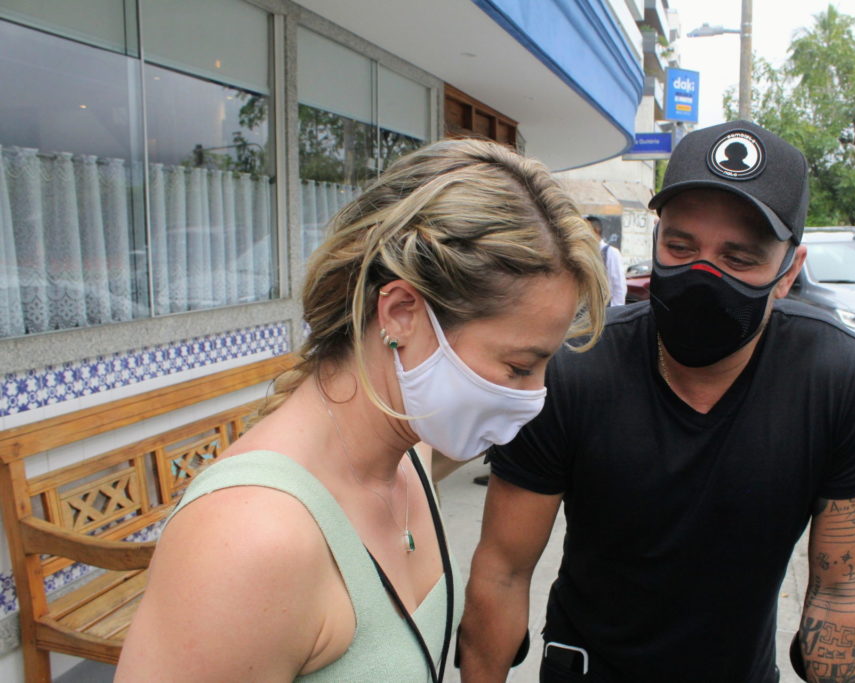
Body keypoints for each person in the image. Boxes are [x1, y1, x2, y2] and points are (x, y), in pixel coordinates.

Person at [115, 138, 608, 682]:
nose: (534, 397)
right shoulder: (252, 540)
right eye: (518, 367)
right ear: (399, 312)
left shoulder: (408, 454)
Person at [458, 121, 855, 682]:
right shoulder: (579, 367)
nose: (702, 276)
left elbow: (842, 592)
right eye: (681, 246)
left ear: (789, 271)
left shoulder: (838, 380)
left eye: (738, 259)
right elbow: (502, 571)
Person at [585, 215, 627, 306]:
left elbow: (619, 287)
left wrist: (615, 312)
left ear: (595, 231)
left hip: (607, 310)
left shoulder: (611, 253)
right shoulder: (585, 253)